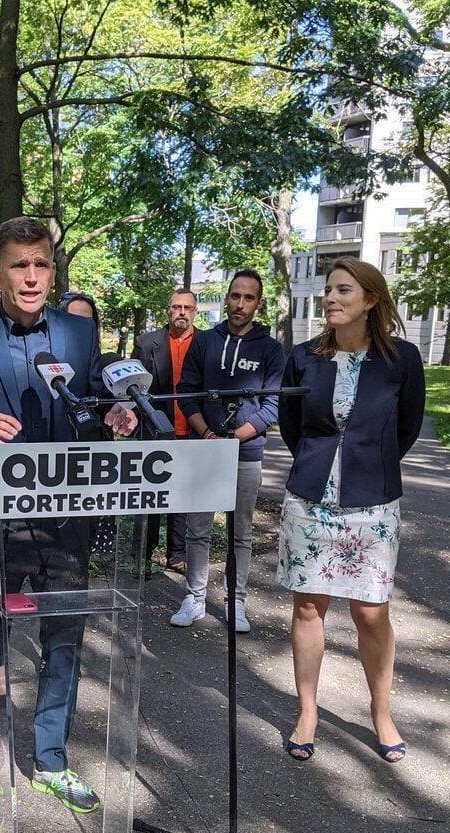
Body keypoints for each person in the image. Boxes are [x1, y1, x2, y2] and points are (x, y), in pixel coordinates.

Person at [0, 216, 136, 832]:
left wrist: (114, 419)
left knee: (64, 637)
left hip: (66, 518)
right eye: (19, 265)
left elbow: (91, 409)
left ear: (53, 268)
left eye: (41, 264)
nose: (31, 277)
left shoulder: (78, 334)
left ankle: (50, 757)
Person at [275, 259, 425, 764]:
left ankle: (381, 712)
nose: (331, 298)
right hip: (310, 498)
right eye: (328, 291)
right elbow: (292, 426)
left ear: (371, 299)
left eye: (343, 290)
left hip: (373, 502)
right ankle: (308, 711)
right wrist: (321, 466)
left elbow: (406, 428)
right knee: (309, 607)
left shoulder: (401, 359)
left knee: (370, 612)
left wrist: (366, 466)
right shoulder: (303, 357)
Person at [174, 271, 284, 631]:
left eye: (248, 298)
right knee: (197, 528)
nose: (240, 304)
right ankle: (194, 597)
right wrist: (206, 433)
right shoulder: (205, 341)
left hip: (246, 453)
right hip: (204, 448)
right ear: (226, 298)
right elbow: (186, 391)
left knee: (242, 532)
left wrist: (236, 438)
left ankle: (236, 601)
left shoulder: (270, 349)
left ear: (259, 303)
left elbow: (273, 405)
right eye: (235, 296)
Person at [133, 288, 202, 574]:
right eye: (176, 307)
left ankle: (176, 555)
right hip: (156, 431)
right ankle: (142, 557)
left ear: (195, 311)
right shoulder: (147, 343)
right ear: (169, 310)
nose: (182, 312)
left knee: (182, 497)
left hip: (193, 430)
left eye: (187, 307)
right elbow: (134, 386)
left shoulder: (206, 343)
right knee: (150, 499)